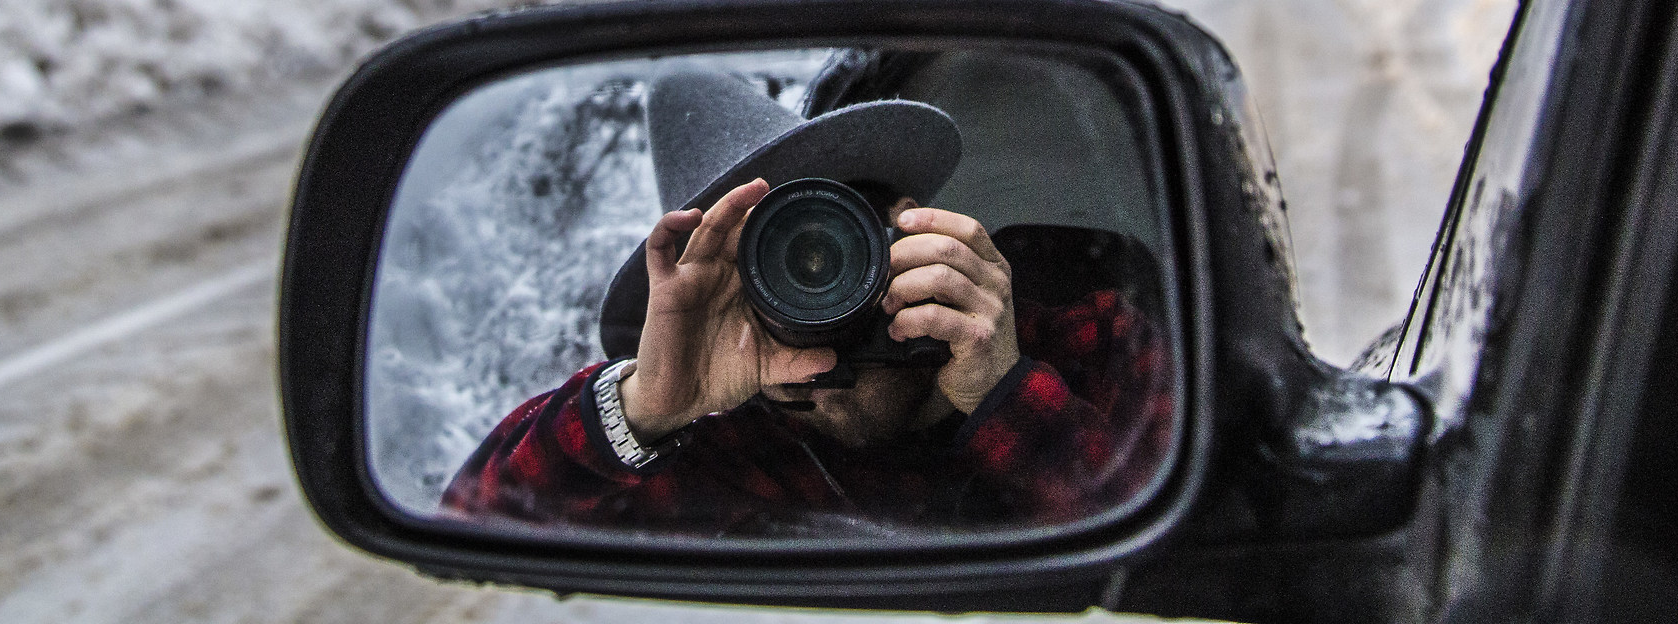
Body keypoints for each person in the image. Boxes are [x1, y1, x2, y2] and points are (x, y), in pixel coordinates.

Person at [442, 67, 1172, 534]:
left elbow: (1191, 551)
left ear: (908, 228)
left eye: (826, 251)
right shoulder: (721, 445)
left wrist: (1006, 392)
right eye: (756, 276)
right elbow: (472, 532)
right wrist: (643, 405)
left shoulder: (1092, 343)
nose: (803, 299)